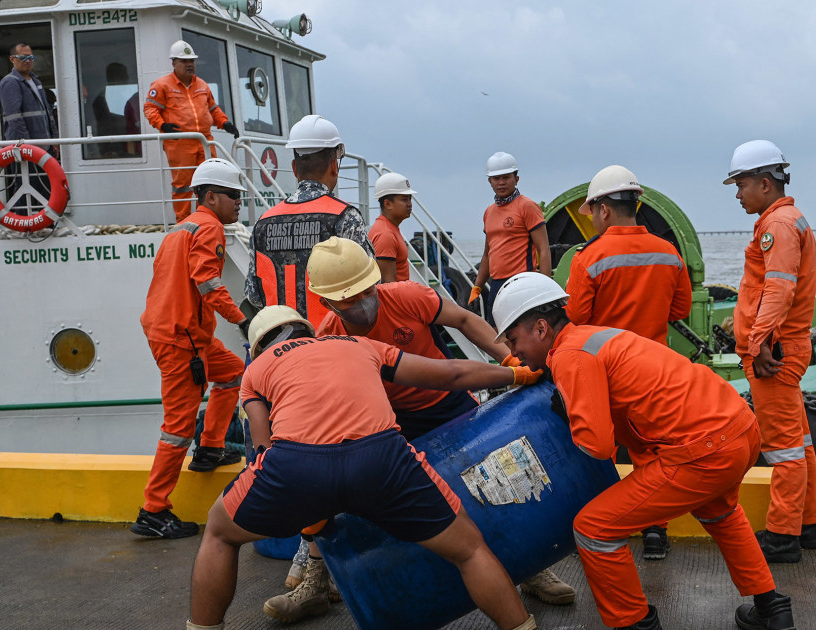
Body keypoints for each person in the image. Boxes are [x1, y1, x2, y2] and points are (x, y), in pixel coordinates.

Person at [186, 306, 541, 630]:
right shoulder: (358, 344)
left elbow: (263, 449)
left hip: (298, 465)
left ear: (258, 347)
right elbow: (451, 374)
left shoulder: (257, 370)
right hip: (381, 458)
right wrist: (516, 375)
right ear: (307, 331)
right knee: (469, 550)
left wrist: (308, 505)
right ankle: (521, 625)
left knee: (219, 531)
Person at [282, 237, 575, 613]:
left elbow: (465, 320)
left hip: (449, 402)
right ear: (327, 303)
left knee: (501, 483)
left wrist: (510, 360)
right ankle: (319, 579)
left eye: (366, 290)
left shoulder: (405, 296)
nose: (363, 302)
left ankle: (532, 569)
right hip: (393, 421)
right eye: (348, 299)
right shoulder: (331, 339)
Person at [491, 272, 796, 630]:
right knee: (720, 513)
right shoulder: (593, 338)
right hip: (739, 428)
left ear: (541, 328)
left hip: (703, 449)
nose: (514, 352)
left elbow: (597, 445)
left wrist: (569, 412)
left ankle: (635, 624)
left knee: (594, 528)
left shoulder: (571, 356)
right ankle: (772, 609)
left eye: (514, 340)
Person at [565, 164, 694, 562]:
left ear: (603, 210)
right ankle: (655, 532)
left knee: (595, 449)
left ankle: (595, 527)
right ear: (635, 203)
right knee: (652, 454)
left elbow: (575, 320)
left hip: (602, 373)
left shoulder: (589, 258)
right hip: (653, 374)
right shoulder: (669, 252)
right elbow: (681, 308)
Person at [133, 158, 252, 539]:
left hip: (181, 333)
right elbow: (207, 282)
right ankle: (153, 510)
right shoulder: (209, 227)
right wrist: (243, 320)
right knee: (178, 429)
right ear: (212, 196)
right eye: (233, 195)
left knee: (234, 372)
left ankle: (211, 448)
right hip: (182, 341)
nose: (239, 203)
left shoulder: (180, 230)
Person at [724, 140, 816, 563]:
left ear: (765, 183)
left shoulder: (776, 226)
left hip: (775, 352)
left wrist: (758, 341)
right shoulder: (789, 220)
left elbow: (779, 286)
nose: (738, 192)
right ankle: (808, 525)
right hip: (788, 345)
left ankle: (783, 537)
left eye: (742, 183)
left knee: (782, 450)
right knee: (800, 444)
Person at [244, 114, 374, 327]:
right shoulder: (344, 217)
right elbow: (367, 288)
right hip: (331, 343)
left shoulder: (263, 223)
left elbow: (254, 296)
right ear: (334, 166)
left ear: (295, 169)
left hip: (281, 345)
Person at [144, 40, 240, 221]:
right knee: (183, 185)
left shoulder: (202, 85)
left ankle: (204, 218)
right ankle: (184, 221)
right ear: (174, 63)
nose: (189, 65)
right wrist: (162, 125)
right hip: (180, 143)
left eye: (192, 61)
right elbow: (150, 109)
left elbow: (213, 109)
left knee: (209, 182)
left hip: (205, 141)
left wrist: (225, 123)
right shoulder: (162, 85)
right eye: (184, 61)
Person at [469, 152, 552, 320]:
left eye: (506, 177)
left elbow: (544, 249)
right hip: (496, 283)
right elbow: (488, 254)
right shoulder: (489, 212)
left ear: (516, 179)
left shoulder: (527, 206)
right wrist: (477, 287)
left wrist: (545, 288)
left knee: (521, 334)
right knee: (496, 333)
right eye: (496, 178)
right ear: (489, 181)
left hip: (522, 281)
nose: (501, 183)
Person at [0, 43, 59, 214]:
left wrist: (54, 141)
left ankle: (44, 223)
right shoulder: (10, 83)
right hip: (28, 148)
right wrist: (25, 146)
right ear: (12, 59)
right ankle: (24, 223)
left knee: (45, 187)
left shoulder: (36, 81)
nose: (27, 61)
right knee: (26, 186)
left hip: (45, 147)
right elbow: (14, 118)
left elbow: (48, 114)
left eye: (30, 57)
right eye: (23, 57)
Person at [369, 172, 416, 282]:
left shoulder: (389, 228)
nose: (409, 204)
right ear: (387, 204)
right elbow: (388, 286)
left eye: (410, 199)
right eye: (404, 199)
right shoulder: (386, 234)